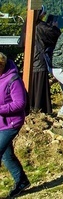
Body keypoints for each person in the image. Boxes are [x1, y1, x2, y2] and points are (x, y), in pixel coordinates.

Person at [0, 52, 30, 197]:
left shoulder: (13, 79)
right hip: (0, 123)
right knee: (7, 156)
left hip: (11, 123)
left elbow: (20, 103)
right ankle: (22, 181)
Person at [30, 12, 61, 114]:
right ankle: (40, 108)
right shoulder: (41, 26)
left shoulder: (29, 24)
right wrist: (55, 27)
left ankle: (32, 106)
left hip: (31, 59)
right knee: (40, 86)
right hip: (39, 59)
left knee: (32, 84)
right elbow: (55, 36)